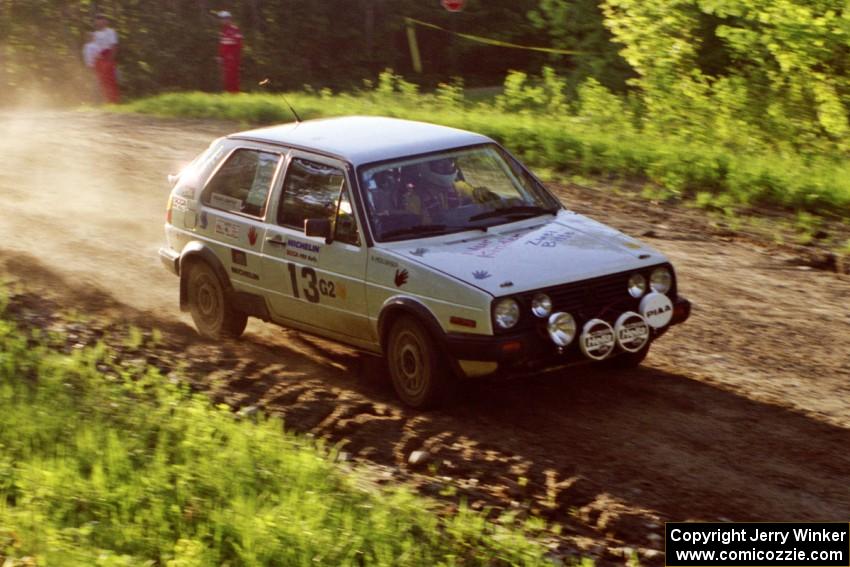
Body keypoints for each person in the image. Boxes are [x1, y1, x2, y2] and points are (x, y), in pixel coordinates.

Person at [91, 14, 120, 103]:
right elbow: (93, 48)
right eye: (97, 20)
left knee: (110, 79)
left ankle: (114, 100)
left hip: (107, 56)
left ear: (106, 21)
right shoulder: (94, 34)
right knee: (101, 80)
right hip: (98, 59)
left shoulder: (110, 32)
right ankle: (106, 100)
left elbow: (114, 46)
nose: (99, 21)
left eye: (102, 19)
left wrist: (110, 59)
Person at [217, 11, 243, 93]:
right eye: (221, 18)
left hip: (233, 58)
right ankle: (228, 93)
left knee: (233, 76)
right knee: (226, 77)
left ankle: (235, 93)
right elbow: (222, 45)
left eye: (224, 18)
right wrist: (220, 56)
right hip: (225, 58)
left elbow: (239, 45)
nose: (222, 20)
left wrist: (234, 56)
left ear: (229, 19)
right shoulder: (223, 31)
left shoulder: (234, 30)